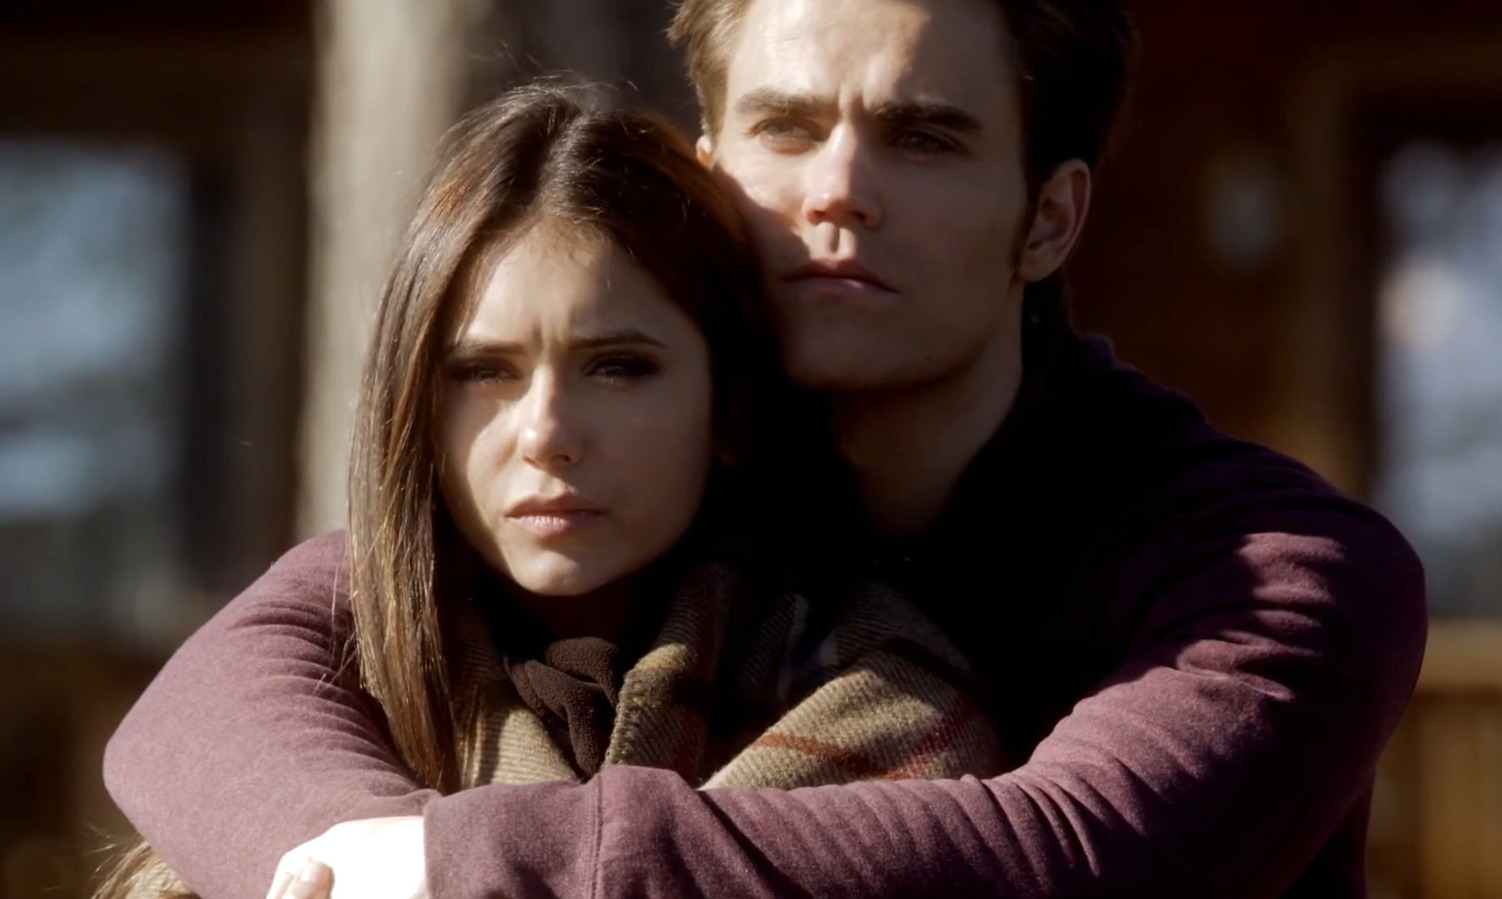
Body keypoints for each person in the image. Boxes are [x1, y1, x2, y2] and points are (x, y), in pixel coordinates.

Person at [104, 0, 1430, 895]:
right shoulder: (657, 479)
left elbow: (1073, 855)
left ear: (1050, 217)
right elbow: (210, 700)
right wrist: (358, 860)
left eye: (923, 138)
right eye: (786, 128)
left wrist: (472, 864)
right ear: (708, 170)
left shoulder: (1270, 569)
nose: (837, 189)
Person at [95, 81, 1005, 899]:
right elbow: (176, 732)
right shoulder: (335, 683)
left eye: (618, 366)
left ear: (727, 404)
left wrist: (461, 862)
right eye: (484, 371)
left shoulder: (884, 691)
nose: (546, 434)